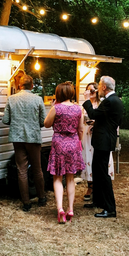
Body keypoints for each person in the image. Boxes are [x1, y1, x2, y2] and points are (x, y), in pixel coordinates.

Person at [2, 74, 47, 212]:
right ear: (32, 86)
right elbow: (43, 121)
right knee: (37, 169)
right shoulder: (38, 99)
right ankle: (41, 198)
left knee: (21, 170)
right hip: (33, 137)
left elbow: (5, 120)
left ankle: (26, 202)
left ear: (19, 85)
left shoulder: (11, 99)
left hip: (17, 137)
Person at [82, 76, 123, 218]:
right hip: (103, 139)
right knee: (97, 171)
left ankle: (109, 208)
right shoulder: (114, 100)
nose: (98, 88)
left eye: (99, 85)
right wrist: (97, 124)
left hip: (104, 142)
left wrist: (87, 99)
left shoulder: (110, 101)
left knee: (103, 174)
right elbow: (106, 120)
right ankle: (98, 201)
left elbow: (93, 113)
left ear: (104, 87)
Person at [44, 82, 85, 223]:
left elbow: (46, 124)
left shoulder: (56, 108)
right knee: (70, 178)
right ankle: (71, 208)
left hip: (59, 143)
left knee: (57, 177)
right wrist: (78, 141)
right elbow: (80, 129)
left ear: (58, 94)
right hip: (73, 143)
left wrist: (52, 108)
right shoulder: (79, 109)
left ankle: (60, 208)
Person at [81, 82, 115, 202]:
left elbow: (103, 119)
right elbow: (83, 119)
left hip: (100, 136)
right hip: (87, 135)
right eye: (88, 91)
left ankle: (100, 187)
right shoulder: (85, 105)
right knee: (89, 159)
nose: (90, 93)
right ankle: (90, 186)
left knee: (100, 162)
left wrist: (96, 124)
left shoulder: (103, 104)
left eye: (92, 91)